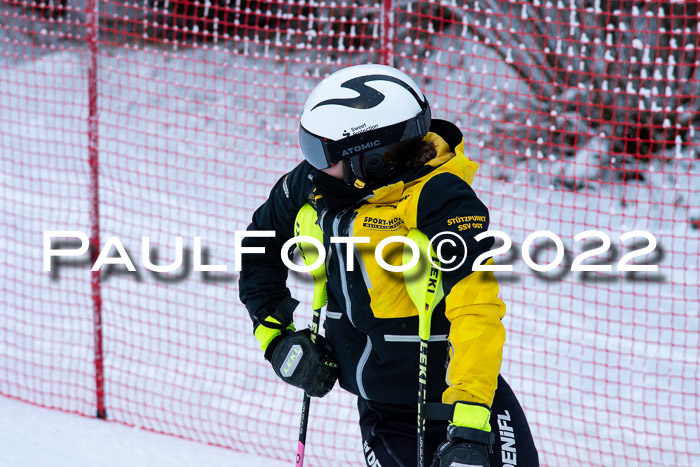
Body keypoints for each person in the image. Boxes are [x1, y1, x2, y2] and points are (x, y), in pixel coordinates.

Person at [239, 64, 539, 467]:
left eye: (322, 154)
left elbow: (476, 311)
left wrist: (469, 423)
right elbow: (259, 245)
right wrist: (275, 337)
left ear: (374, 160)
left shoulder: (439, 198)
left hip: (466, 400)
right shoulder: (312, 185)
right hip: (385, 412)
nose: (311, 165)